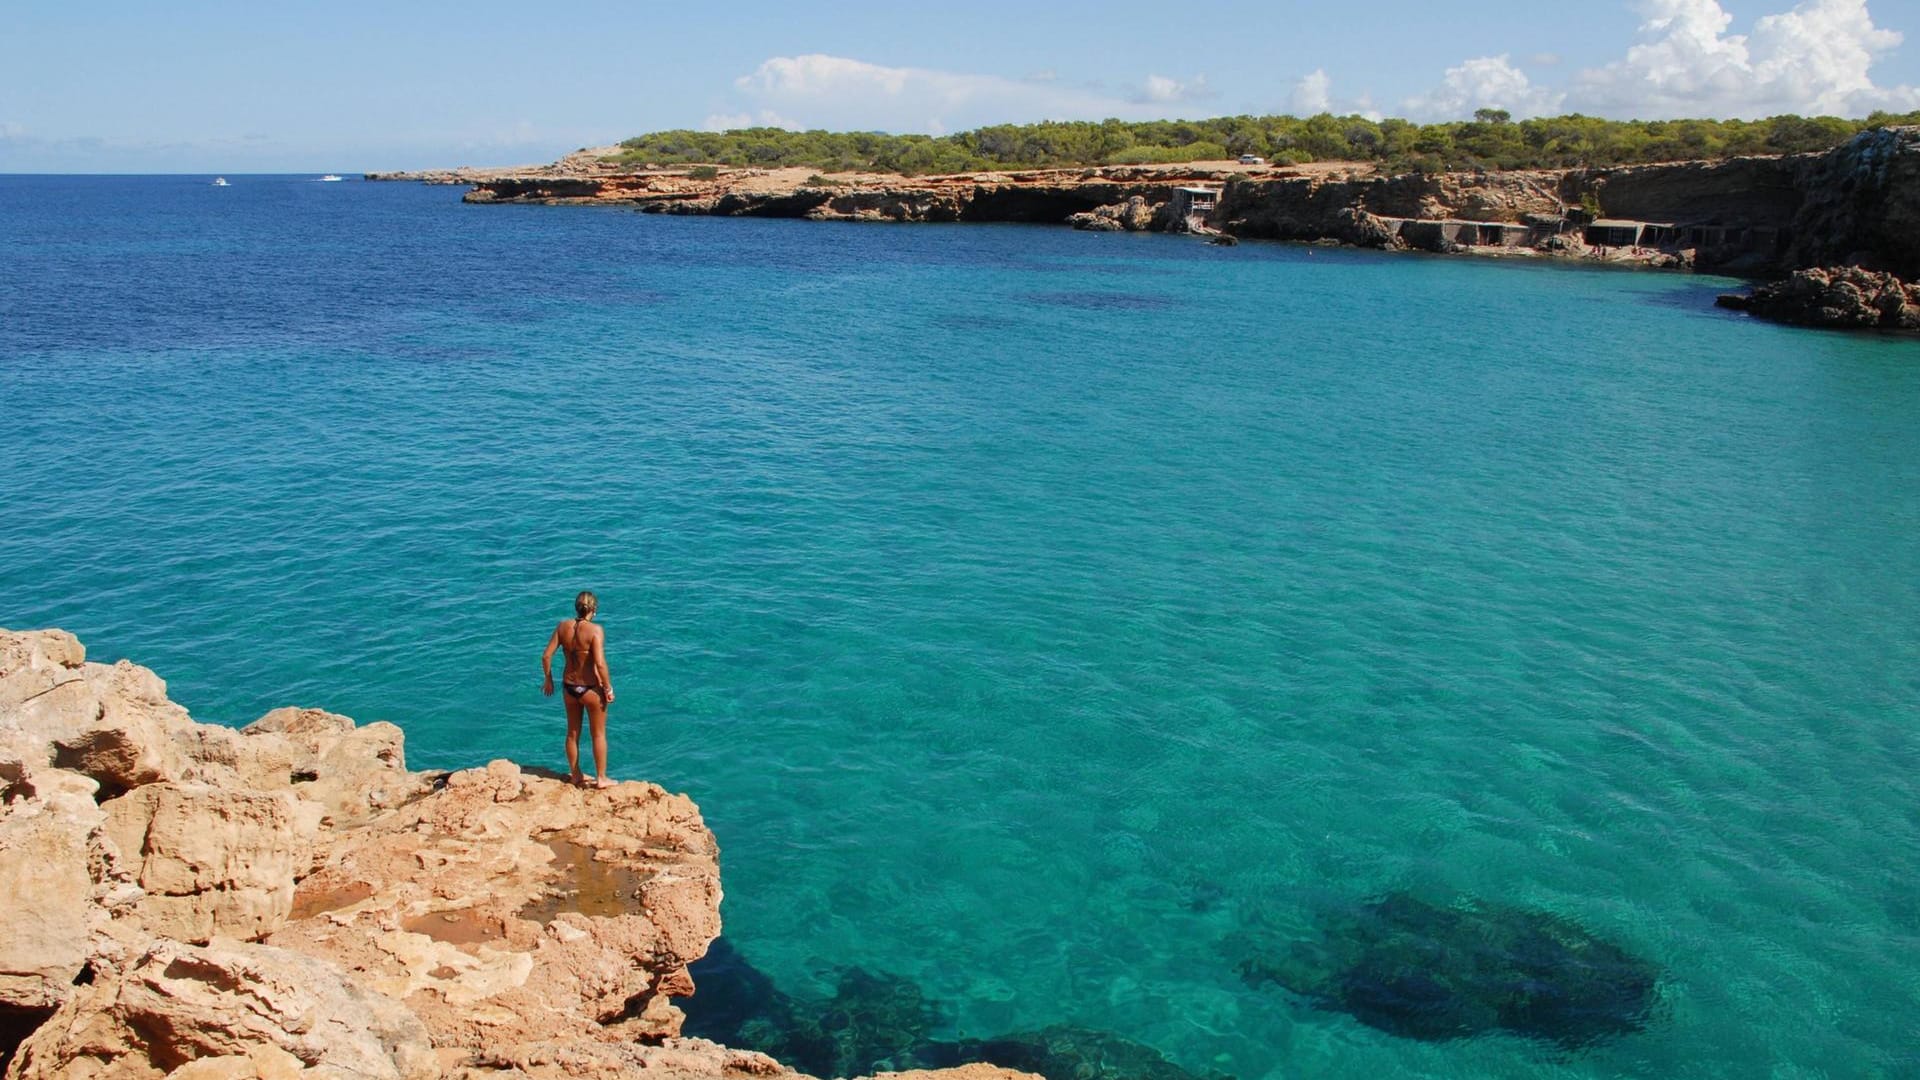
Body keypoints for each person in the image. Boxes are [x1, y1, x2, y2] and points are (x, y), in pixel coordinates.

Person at [542, 591, 615, 788]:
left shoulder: (562, 627)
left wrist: (549, 680)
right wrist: (608, 688)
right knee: (598, 734)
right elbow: (599, 664)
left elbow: (546, 656)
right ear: (594, 609)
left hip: (569, 688)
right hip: (591, 689)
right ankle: (601, 778)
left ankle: (575, 775)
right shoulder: (595, 630)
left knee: (572, 733)